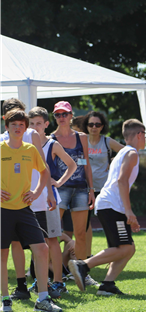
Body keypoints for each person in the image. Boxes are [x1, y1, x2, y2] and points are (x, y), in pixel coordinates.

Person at [68, 119, 146, 296]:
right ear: (139, 135)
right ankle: (83, 265)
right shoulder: (131, 153)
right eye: (145, 136)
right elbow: (121, 181)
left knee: (127, 249)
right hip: (112, 206)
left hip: (108, 205)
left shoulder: (122, 153)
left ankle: (107, 285)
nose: (145, 140)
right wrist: (128, 211)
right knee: (125, 248)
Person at [0, 108, 62, 312]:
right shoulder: (0, 148)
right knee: (2, 254)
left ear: (25, 127)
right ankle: (6, 300)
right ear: (6, 126)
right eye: (13, 125)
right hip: (3, 210)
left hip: (25, 208)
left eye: (21, 125)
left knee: (42, 249)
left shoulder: (30, 149)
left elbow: (45, 172)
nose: (17, 128)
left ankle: (43, 299)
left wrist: (36, 193)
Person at [28, 106, 77, 294]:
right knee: (37, 241)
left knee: (52, 240)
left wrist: (60, 182)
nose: (34, 127)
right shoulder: (25, 144)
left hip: (49, 200)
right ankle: (42, 281)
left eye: (38, 123)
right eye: (31, 123)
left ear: (46, 124)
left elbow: (71, 165)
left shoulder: (52, 145)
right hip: (31, 199)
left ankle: (58, 281)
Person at [50, 101, 98, 286]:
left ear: (71, 116)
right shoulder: (50, 138)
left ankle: (82, 272)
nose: (61, 118)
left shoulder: (82, 137)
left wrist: (91, 190)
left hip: (80, 188)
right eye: (58, 115)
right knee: (52, 233)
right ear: (54, 117)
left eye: (64, 114)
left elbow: (86, 165)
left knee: (81, 233)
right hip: (58, 190)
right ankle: (50, 274)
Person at [82, 111, 124, 258]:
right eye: (91, 124)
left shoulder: (107, 141)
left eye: (97, 124)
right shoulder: (81, 140)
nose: (94, 127)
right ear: (86, 126)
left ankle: (114, 254)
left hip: (105, 189)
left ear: (102, 126)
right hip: (86, 189)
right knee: (84, 225)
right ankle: (87, 256)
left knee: (109, 223)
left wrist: (113, 163)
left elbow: (126, 152)